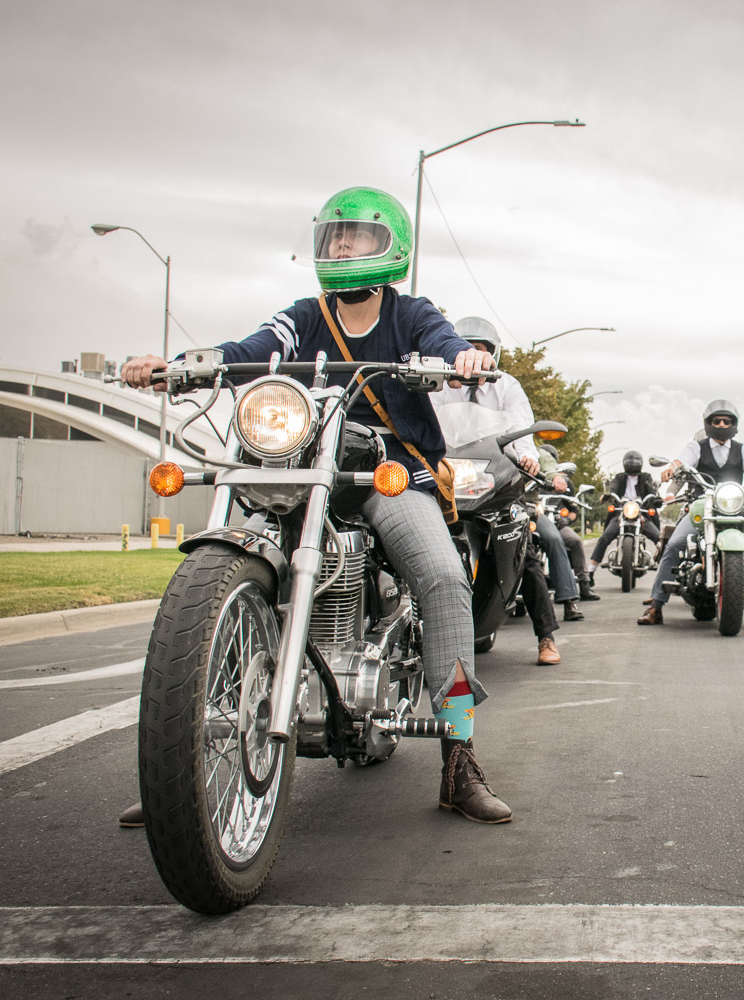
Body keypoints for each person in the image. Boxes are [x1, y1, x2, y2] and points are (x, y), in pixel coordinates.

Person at [120, 186, 512, 825]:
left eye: (357, 236)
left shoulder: (412, 315)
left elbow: (443, 343)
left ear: (390, 246)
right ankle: (180, 771)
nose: (344, 246)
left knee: (444, 580)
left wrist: (462, 358)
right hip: (303, 468)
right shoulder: (304, 315)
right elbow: (251, 349)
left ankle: (459, 758)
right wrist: (183, 365)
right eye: (335, 236)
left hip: (383, 471)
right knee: (223, 570)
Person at [432, 317, 587, 627]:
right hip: (447, 482)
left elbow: (521, 428)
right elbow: (426, 423)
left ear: (493, 353)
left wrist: (527, 457)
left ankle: (546, 635)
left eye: (479, 348)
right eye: (464, 347)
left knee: (526, 547)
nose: (472, 354)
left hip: (497, 484)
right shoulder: (438, 384)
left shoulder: (506, 386)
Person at [637, 400, 744, 627]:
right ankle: (656, 606)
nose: (722, 425)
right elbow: (682, 460)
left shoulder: (743, 449)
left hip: (735, 508)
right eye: (717, 421)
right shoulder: (696, 447)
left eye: (727, 421)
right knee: (675, 543)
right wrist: (673, 467)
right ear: (708, 424)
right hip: (701, 506)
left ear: (734, 424)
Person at [541, 445, 601, 601]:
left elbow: (574, 510)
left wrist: (567, 519)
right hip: (536, 521)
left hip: (558, 523)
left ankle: (584, 585)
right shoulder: (531, 478)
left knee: (575, 541)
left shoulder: (564, 483)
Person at [589, 449, 662, 574]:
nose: (632, 464)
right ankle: (590, 571)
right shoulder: (619, 477)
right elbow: (613, 487)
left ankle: (665, 569)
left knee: (660, 539)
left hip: (641, 514)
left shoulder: (646, 477)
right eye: (630, 462)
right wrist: (608, 495)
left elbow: (651, 490)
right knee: (604, 538)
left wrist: (656, 497)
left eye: (635, 462)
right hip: (621, 514)